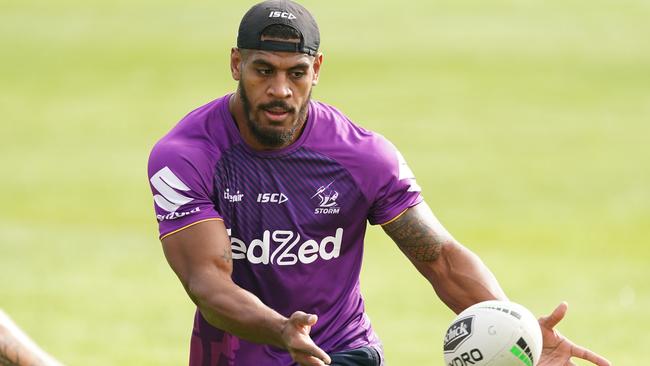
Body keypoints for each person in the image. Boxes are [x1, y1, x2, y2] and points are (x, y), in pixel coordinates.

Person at [147, 1, 611, 365]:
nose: (280, 90)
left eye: (296, 73)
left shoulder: (362, 156)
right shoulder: (186, 156)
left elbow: (441, 259)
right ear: (236, 65)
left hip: (343, 351)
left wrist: (516, 328)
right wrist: (282, 330)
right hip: (237, 355)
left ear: (317, 69)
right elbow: (207, 284)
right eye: (263, 70)